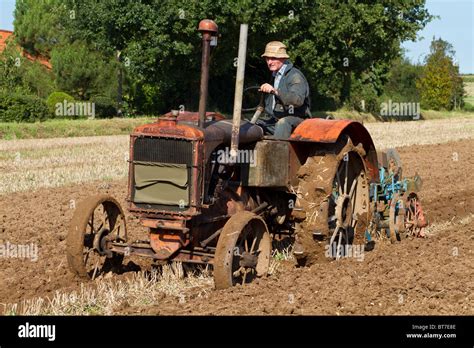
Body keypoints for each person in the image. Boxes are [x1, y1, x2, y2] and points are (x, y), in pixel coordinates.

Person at [259, 41, 311, 138]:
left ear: (283, 58)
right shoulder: (275, 75)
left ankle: (278, 152)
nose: (269, 62)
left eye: (273, 58)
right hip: (275, 118)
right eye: (267, 58)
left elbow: (297, 100)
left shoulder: (295, 76)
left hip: (298, 119)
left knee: (283, 123)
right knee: (253, 125)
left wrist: (275, 91)